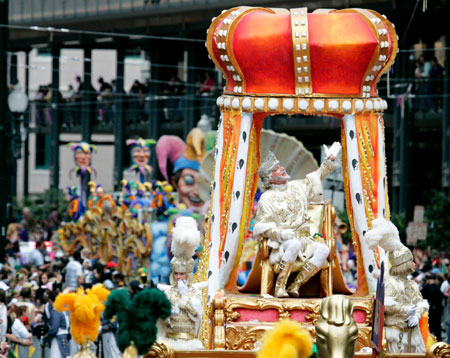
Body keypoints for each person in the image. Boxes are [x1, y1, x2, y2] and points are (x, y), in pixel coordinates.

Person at [254, 144, 341, 298]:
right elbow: (263, 226)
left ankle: (296, 286)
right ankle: (279, 287)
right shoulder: (266, 198)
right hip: (283, 242)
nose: (281, 168)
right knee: (294, 244)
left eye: (280, 166)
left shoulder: (297, 187)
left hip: (305, 238)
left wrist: (329, 161)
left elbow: (317, 176)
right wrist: (280, 234)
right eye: (276, 168)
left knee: (324, 250)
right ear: (269, 177)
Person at [365, 218, 429, 353]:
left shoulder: (412, 283)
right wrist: (406, 310)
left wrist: (416, 315)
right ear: (402, 263)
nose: (414, 264)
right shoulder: (391, 283)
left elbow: (421, 302)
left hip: (413, 335)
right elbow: (385, 304)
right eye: (411, 261)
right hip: (395, 334)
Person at [157, 216, 205, 350]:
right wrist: (168, 312)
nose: (179, 277)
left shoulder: (194, 291)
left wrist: (186, 303)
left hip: (190, 342)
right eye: (176, 274)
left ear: (187, 275)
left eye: (181, 274)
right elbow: (162, 316)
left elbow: (199, 314)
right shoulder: (168, 291)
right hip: (170, 342)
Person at [44, 290, 70, 358]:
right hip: (65, 336)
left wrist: (46, 337)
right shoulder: (65, 309)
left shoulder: (56, 311)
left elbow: (54, 329)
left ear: (50, 300)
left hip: (58, 337)